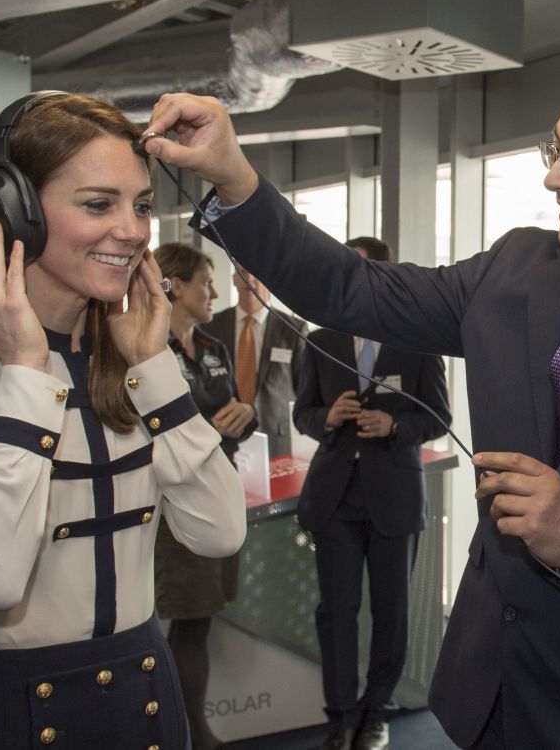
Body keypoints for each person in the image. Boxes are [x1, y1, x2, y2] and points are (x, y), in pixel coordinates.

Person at [141, 54, 560, 749]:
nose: (555, 176)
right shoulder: (516, 271)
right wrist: (234, 178)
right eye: (557, 150)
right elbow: (351, 289)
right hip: (489, 696)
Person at [0, 92, 246, 750]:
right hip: (14, 700)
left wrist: (152, 365)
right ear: (11, 212)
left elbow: (217, 532)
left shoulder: (133, 347)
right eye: (98, 204)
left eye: (142, 205)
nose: (132, 229)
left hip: (147, 688)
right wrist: (26, 370)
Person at [293, 236, 450, 750]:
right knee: (335, 611)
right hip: (335, 495)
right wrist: (327, 419)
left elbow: (439, 416)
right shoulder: (319, 339)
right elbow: (304, 413)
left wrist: (395, 425)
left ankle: (374, 711)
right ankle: (339, 715)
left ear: (385, 276)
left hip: (395, 494)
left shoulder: (419, 340)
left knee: (393, 613)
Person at [151, 242, 256, 750]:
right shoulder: (145, 353)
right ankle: (186, 733)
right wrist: (211, 434)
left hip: (219, 495)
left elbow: (232, 412)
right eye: (206, 282)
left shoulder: (213, 348)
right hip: (170, 508)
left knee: (199, 622)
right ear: (173, 285)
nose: (216, 293)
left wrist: (245, 416)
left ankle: (190, 730)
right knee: (177, 621)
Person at [203, 265, 308, 458]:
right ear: (234, 278)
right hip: (223, 435)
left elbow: (304, 391)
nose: (249, 279)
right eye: (243, 272)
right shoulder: (210, 327)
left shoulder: (293, 330)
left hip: (275, 438)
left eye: (257, 273)